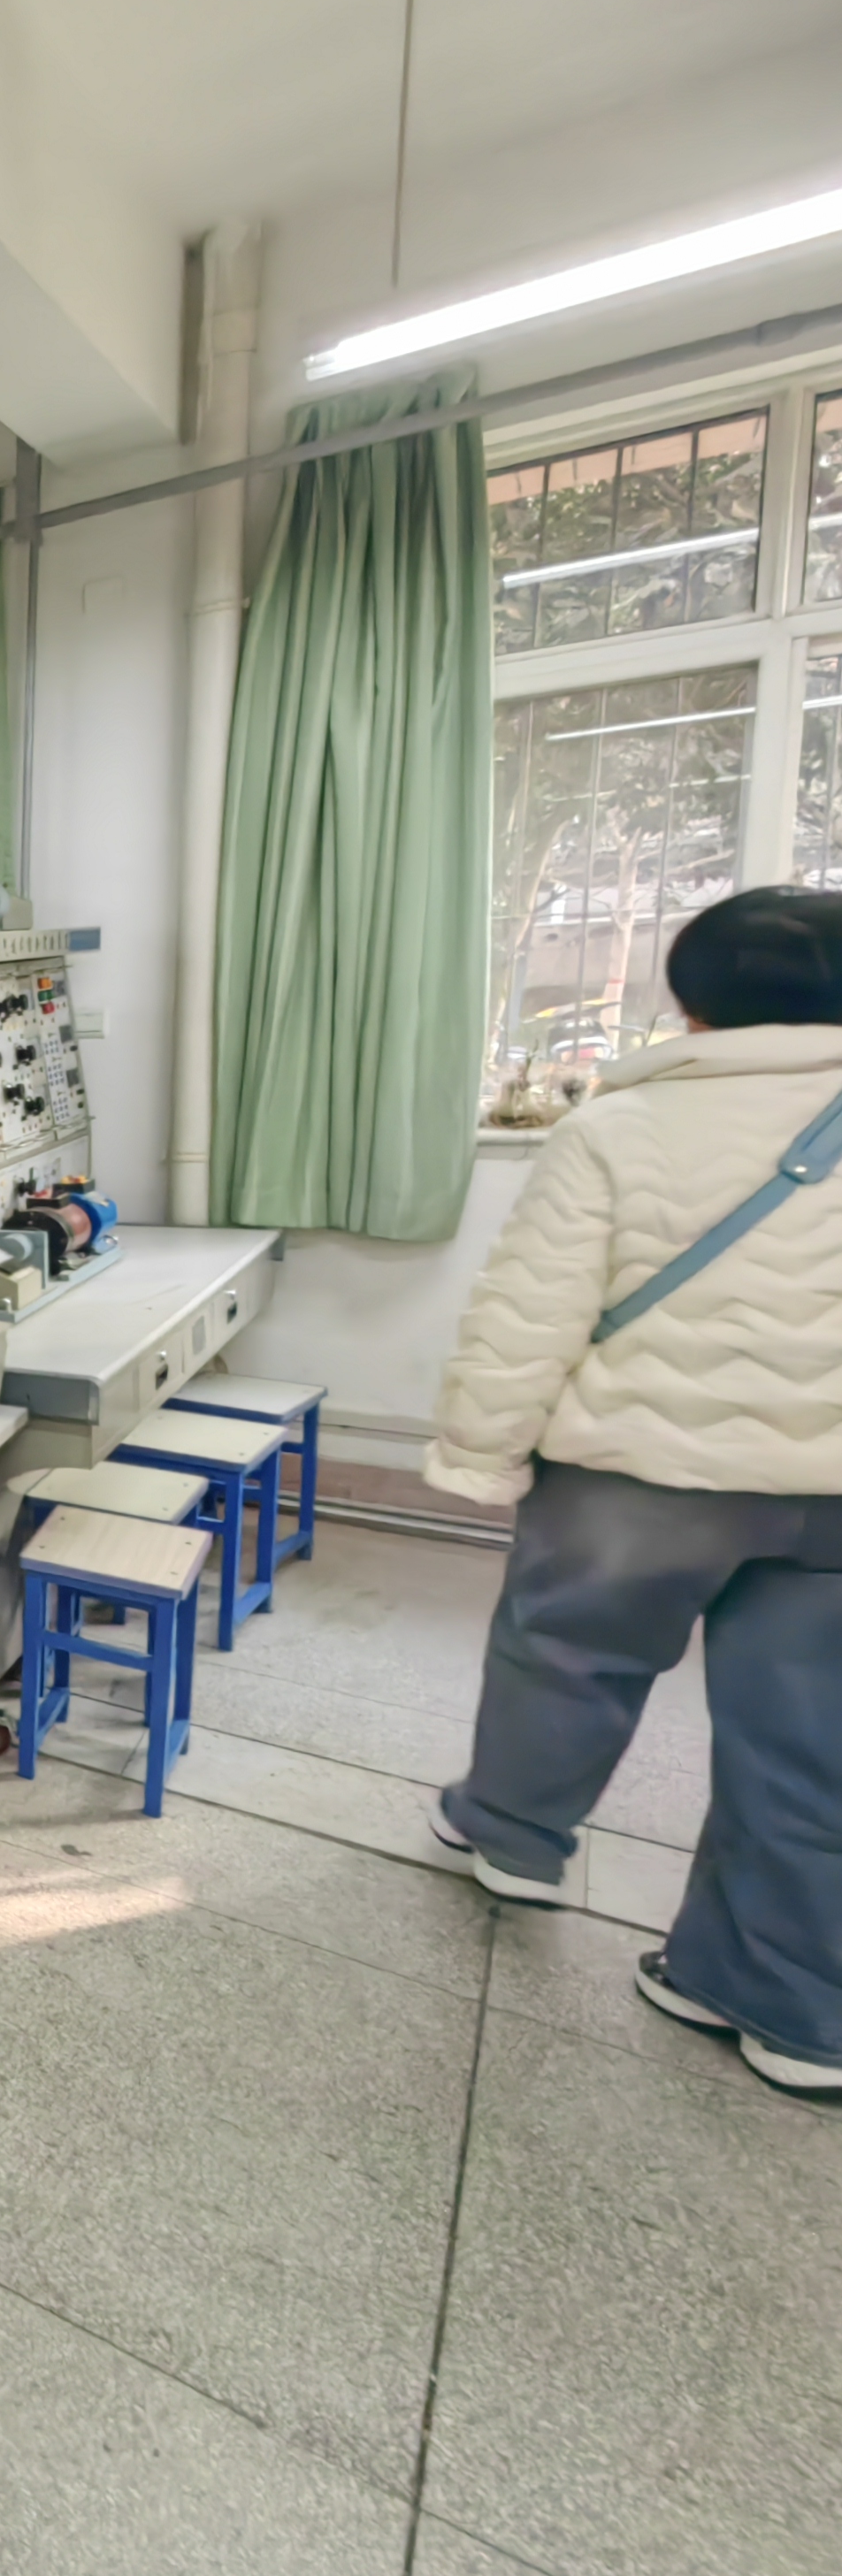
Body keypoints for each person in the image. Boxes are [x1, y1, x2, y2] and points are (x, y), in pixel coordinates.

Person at [426, 885, 842, 2100]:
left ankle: (512, 1839)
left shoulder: (621, 1127)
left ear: (691, 1000)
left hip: (637, 1471)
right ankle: (785, 2004)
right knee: (810, 1744)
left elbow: (531, 1313)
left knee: (566, 1658)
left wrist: (482, 1450)